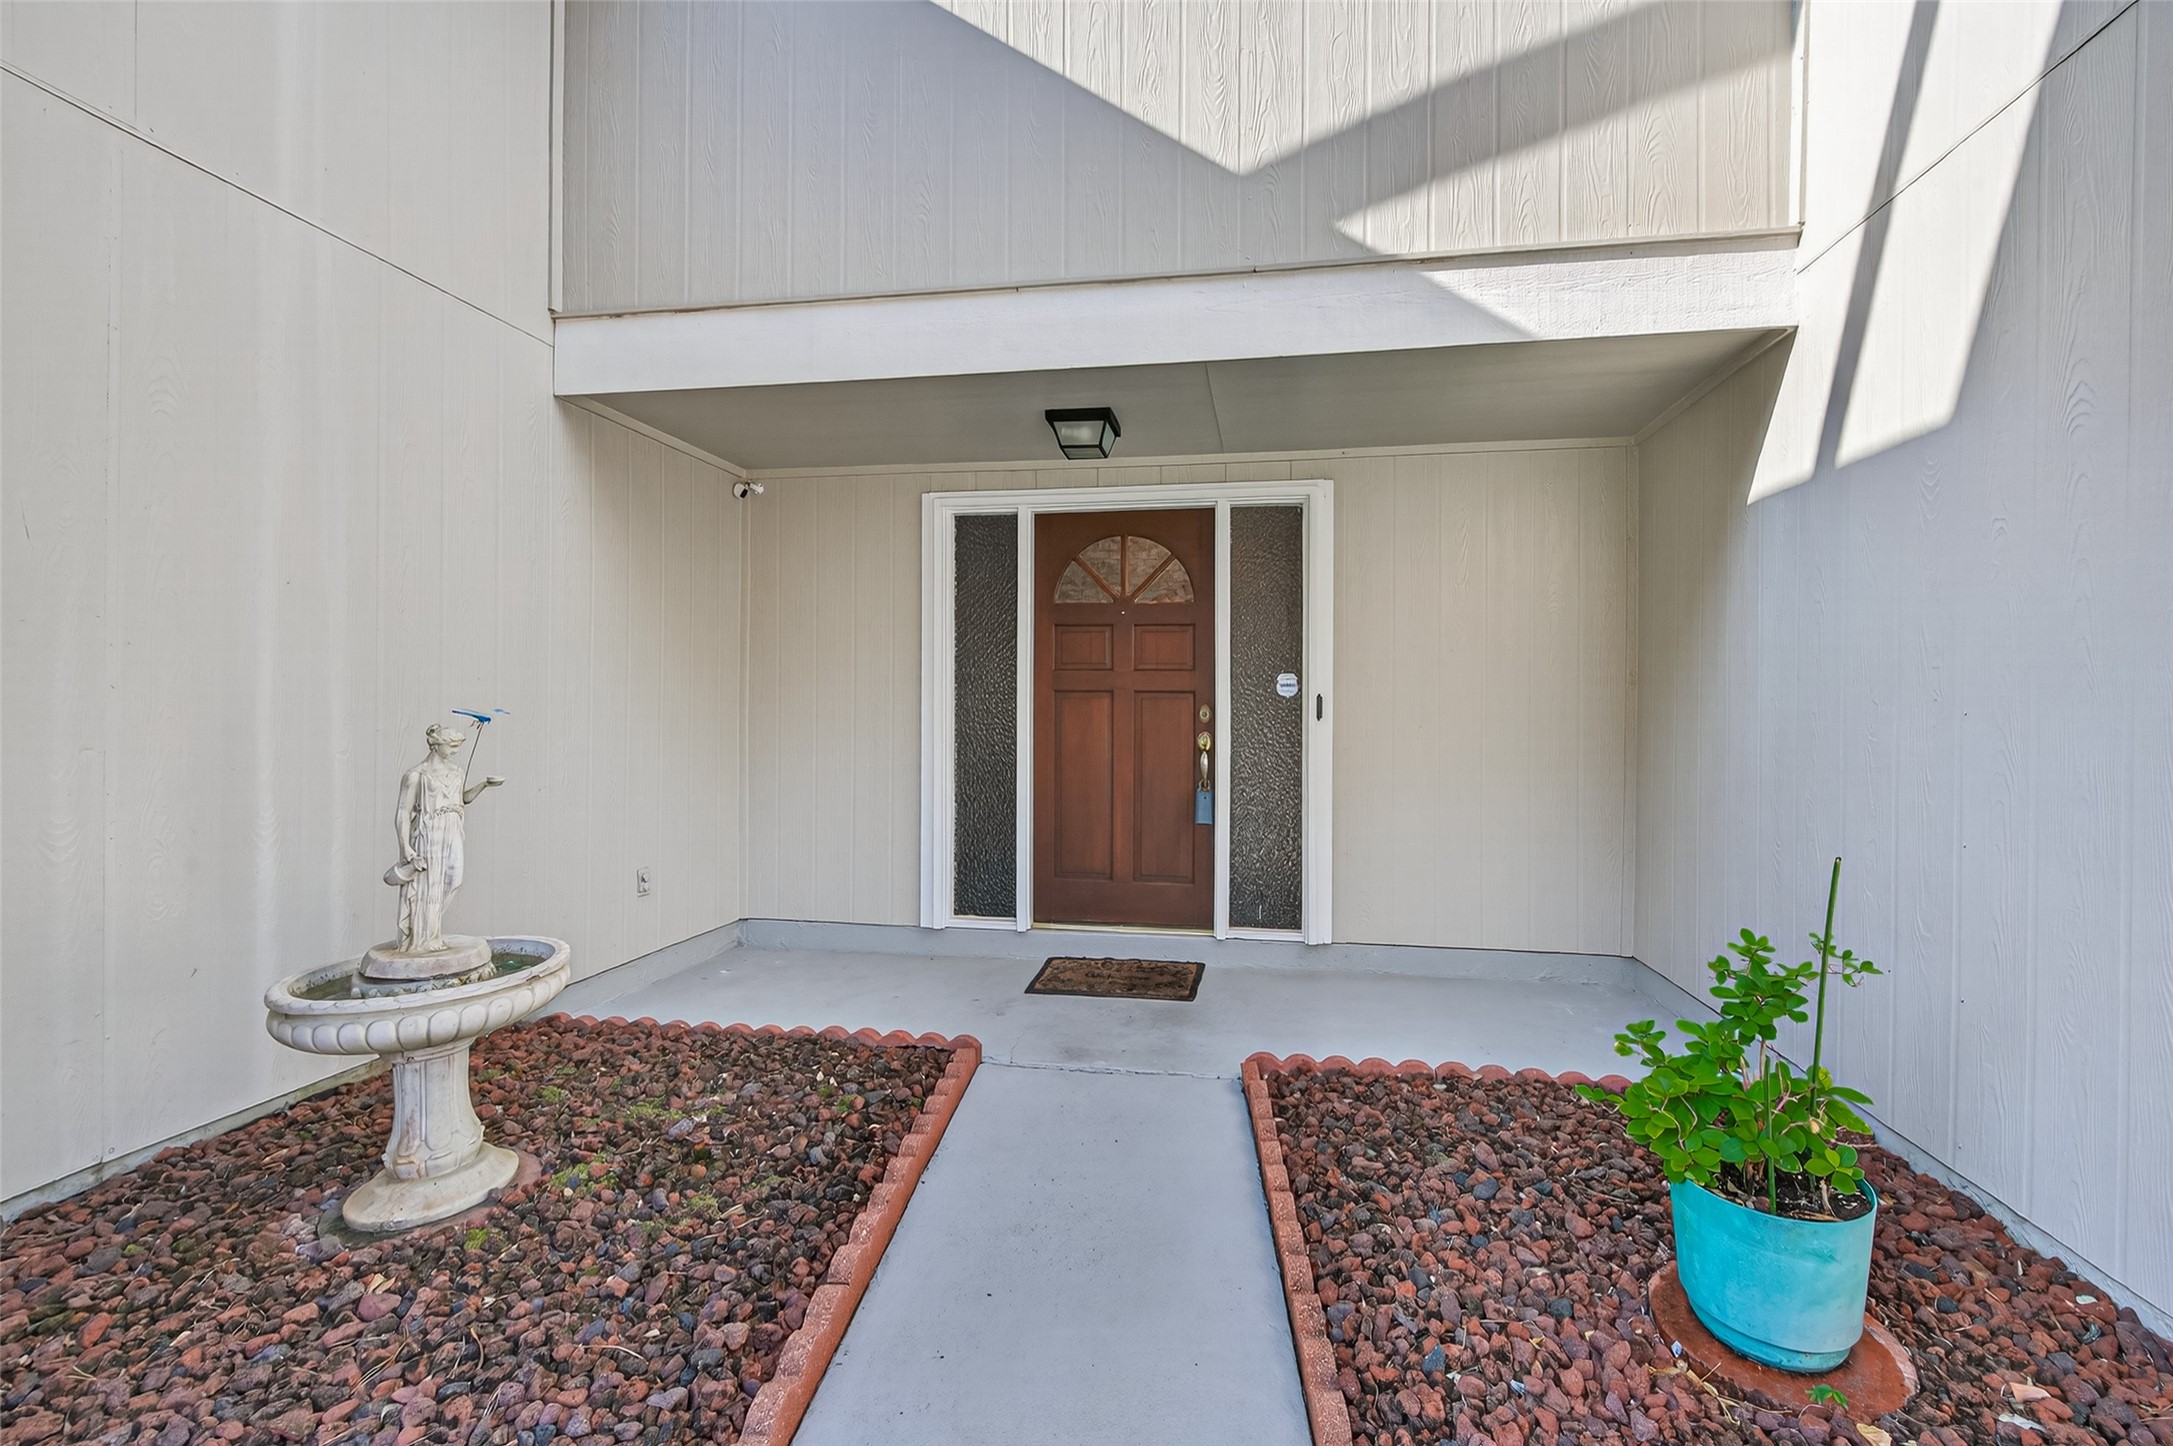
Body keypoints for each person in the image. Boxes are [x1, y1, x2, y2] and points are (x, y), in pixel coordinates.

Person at [387, 722, 503, 953]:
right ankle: (423, 939)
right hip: (429, 830)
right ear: (435, 745)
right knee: (428, 885)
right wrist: (405, 847)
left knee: (453, 879)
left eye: (457, 746)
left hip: (454, 829)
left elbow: (463, 799)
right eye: (451, 746)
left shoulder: (457, 772)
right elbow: (403, 812)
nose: (455, 751)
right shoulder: (416, 775)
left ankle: (431, 927)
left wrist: (484, 785)